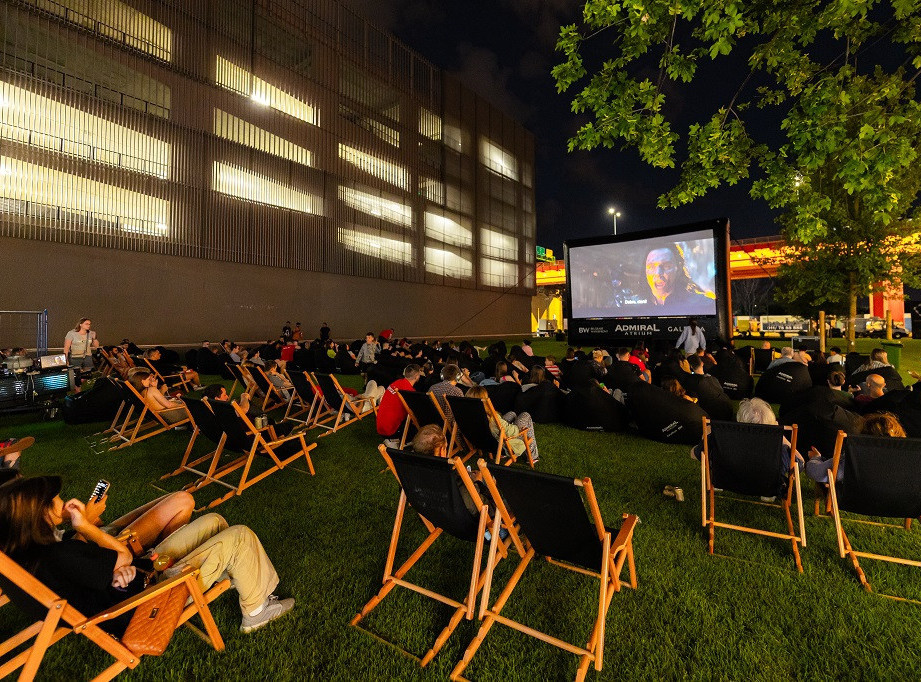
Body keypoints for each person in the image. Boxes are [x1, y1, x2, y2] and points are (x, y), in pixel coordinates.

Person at [0, 476, 295, 635]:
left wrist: (114, 575)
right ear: (41, 513)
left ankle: (240, 574)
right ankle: (256, 613)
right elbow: (123, 557)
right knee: (239, 534)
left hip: (141, 578)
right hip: (149, 601)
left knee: (214, 521)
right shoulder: (60, 554)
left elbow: (94, 576)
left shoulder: (28, 553)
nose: (61, 501)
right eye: (54, 499)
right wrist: (86, 526)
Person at [806, 412, 906, 483]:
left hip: (858, 501)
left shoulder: (854, 457)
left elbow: (816, 473)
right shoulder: (909, 460)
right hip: (898, 504)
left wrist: (816, 458)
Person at [466, 386, 539, 463]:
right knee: (526, 415)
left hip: (487, 440)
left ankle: (532, 454)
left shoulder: (469, 415)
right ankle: (532, 455)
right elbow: (511, 431)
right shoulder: (491, 418)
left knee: (512, 414)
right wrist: (519, 428)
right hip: (502, 443)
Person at [643, 244, 713, 313]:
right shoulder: (635, 305)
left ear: (678, 268)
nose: (658, 273)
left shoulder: (704, 304)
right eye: (651, 267)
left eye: (666, 266)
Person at [377, 364, 424, 447]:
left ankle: (393, 438)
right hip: (390, 430)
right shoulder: (409, 392)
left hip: (381, 426)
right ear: (416, 376)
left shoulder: (396, 383)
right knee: (418, 421)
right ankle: (395, 440)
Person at [63, 317, 99, 390]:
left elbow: (96, 347)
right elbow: (66, 348)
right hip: (75, 357)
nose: (88, 325)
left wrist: (94, 338)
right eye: (86, 324)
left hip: (87, 356)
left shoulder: (90, 333)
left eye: (89, 324)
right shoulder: (72, 333)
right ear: (80, 324)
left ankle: (77, 385)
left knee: (87, 375)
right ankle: (77, 391)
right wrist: (65, 360)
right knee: (77, 376)